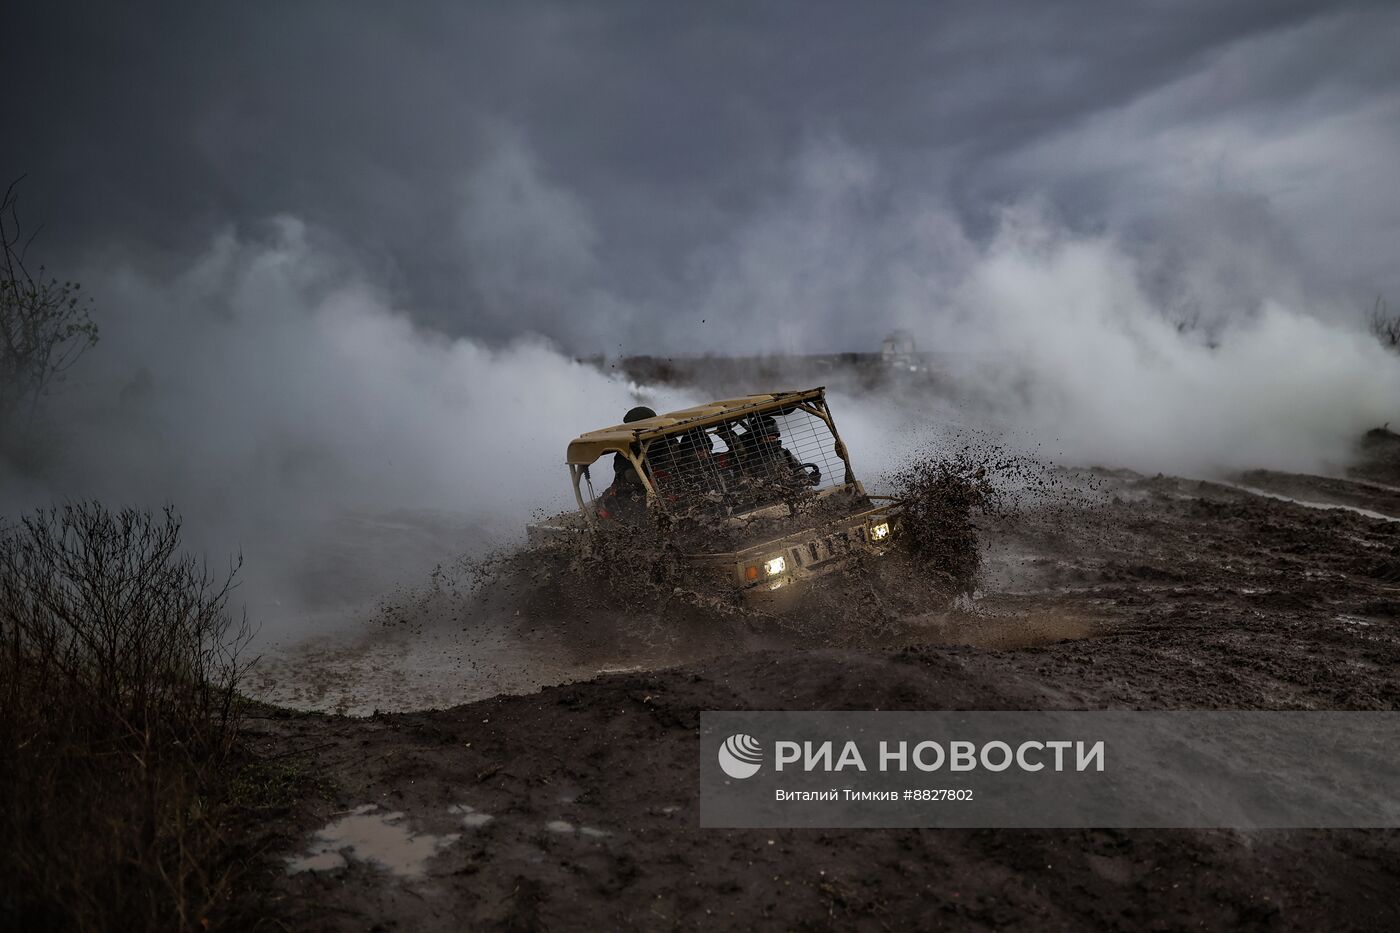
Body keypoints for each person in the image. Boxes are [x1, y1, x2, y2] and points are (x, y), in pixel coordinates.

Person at [596, 405, 654, 522]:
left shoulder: (664, 442)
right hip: (633, 493)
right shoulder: (626, 451)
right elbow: (629, 475)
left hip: (662, 487)